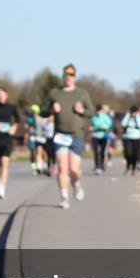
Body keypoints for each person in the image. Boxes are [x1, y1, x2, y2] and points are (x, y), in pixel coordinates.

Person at [41, 63, 94, 209]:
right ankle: (64, 197)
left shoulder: (82, 93)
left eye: (72, 75)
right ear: (63, 76)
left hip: (76, 135)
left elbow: (92, 111)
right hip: (60, 135)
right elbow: (42, 111)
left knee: (74, 170)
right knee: (62, 167)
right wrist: (51, 109)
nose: (69, 77)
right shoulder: (54, 93)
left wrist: (82, 110)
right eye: (66, 75)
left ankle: (76, 184)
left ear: (75, 77)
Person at [0, 88, 20, 199]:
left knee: (5, 162)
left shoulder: (12, 107)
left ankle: (2, 188)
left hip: (7, 137)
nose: (1, 96)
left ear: (7, 95)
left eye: (3, 94)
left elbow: (18, 120)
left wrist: (14, 128)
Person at [120, 105, 140, 175]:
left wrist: (136, 117)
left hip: (137, 137)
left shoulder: (139, 117)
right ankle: (128, 165)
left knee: (135, 153)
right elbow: (123, 124)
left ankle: (133, 167)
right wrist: (128, 115)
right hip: (127, 137)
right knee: (128, 153)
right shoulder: (127, 117)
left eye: (135, 112)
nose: (133, 114)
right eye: (132, 112)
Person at [90, 104, 114, 174]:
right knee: (96, 152)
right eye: (97, 111)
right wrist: (99, 126)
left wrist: (100, 126)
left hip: (104, 136)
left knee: (102, 152)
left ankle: (102, 165)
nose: (98, 112)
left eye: (99, 110)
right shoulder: (94, 117)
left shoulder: (105, 117)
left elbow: (109, 125)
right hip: (95, 136)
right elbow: (93, 125)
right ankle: (97, 166)